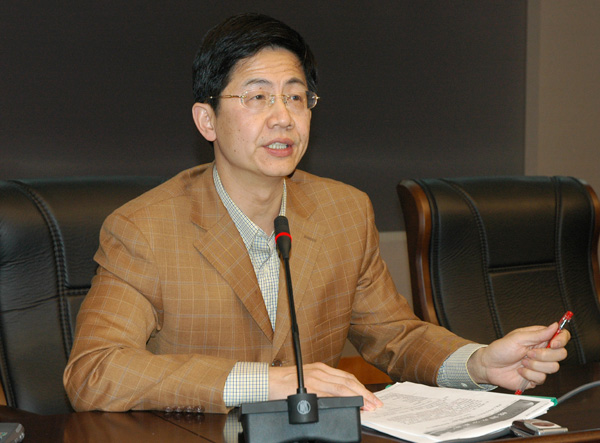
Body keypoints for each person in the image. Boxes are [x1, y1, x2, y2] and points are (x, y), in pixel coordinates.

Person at [63, 13, 570, 414]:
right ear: (207, 120)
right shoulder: (144, 229)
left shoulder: (343, 211)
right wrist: (265, 383)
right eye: (258, 97)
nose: (282, 117)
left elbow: (396, 337)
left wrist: (478, 363)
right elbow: (94, 371)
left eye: (296, 97)